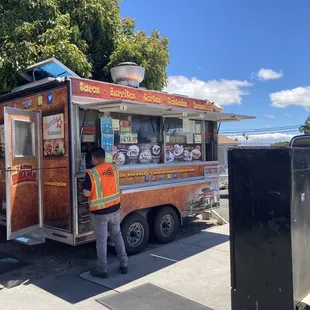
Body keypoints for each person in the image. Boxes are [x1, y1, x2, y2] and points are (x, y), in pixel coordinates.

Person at [83, 147, 128, 278]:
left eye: (91, 158)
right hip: (115, 209)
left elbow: (86, 193)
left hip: (100, 213)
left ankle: (102, 269)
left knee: (102, 240)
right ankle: (124, 264)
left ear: (95, 159)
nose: (91, 161)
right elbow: (115, 165)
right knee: (117, 235)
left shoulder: (91, 173)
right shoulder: (113, 168)